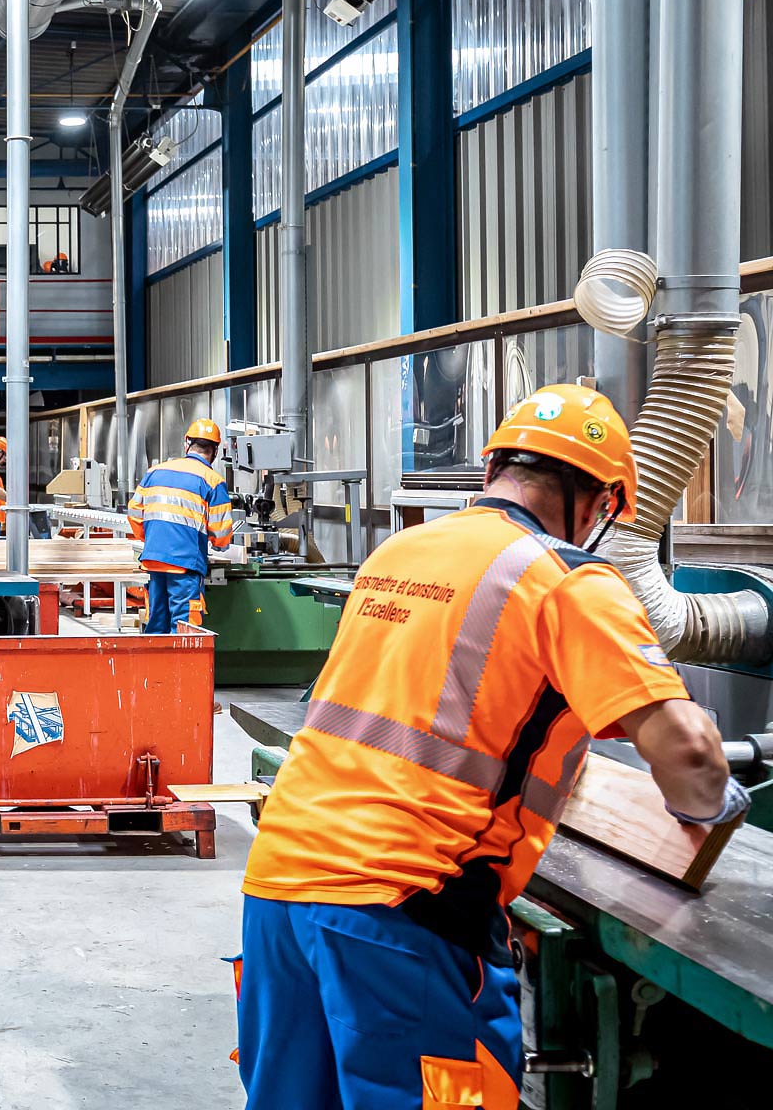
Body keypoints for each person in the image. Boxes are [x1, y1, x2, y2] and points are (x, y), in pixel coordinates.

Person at [236, 384, 745, 1109]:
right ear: (600, 505)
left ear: (492, 471)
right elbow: (690, 755)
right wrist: (716, 801)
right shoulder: (566, 579)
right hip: (402, 910)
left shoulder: (401, 551)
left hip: (280, 889)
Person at [127, 418, 232, 633]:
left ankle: (156, 666)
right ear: (215, 451)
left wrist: (153, 539)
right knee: (184, 628)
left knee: (157, 622)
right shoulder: (213, 480)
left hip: (154, 560)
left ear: (187, 443)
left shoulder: (154, 472)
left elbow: (134, 513)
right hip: (184, 565)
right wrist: (219, 545)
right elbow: (221, 533)